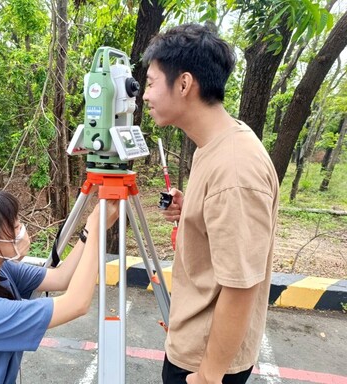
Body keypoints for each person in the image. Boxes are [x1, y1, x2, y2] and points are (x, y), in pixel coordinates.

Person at [142, 24, 279, 384]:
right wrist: (191, 209)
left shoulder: (235, 170)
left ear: (184, 84)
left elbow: (240, 286)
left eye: (152, 82)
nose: (144, 95)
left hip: (204, 363)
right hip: (194, 344)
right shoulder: (213, 145)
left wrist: (208, 375)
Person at [0, 188, 118, 384]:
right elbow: (77, 304)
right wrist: (96, 230)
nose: (22, 230)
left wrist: (89, 231)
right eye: (15, 226)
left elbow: (62, 278)